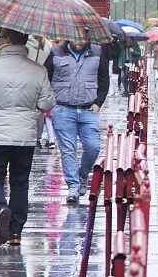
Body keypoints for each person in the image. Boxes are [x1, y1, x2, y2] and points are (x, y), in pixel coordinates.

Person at [0, 28, 57, 245]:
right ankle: (15, 232)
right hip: (25, 135)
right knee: (20, 182)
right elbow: (47, 103)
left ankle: (0, 207)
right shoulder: (38, 70)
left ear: (6, 41)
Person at [45, 36, 110, 204]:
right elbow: (45, 77)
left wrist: (98, 103)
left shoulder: (96, 52)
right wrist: (49, 102)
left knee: (93, 147)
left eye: (83, 38)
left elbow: (104, 79)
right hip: (63, 109)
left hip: (88, 109)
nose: (79, 41)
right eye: (76, 38)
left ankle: (82, 174)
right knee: (68, 150)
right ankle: (73, 187)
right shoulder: (55, 52)